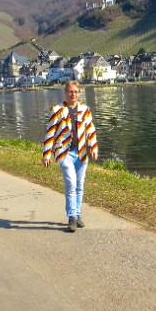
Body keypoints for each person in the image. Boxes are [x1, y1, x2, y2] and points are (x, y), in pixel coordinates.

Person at [42, 81, 99, 232]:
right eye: (70, 92)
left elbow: (90, 130)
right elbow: (50, 132)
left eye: (75, 92)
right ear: (66, 93)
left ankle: (78, 214)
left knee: (80, 185)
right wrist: (46, 154)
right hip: (64, 152)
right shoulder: (58, 110)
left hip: (81, 153)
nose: (73, 94)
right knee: (71, 184)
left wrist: (93, 147)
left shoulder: (85, 110)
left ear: (79, 93)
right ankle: (72, 217)